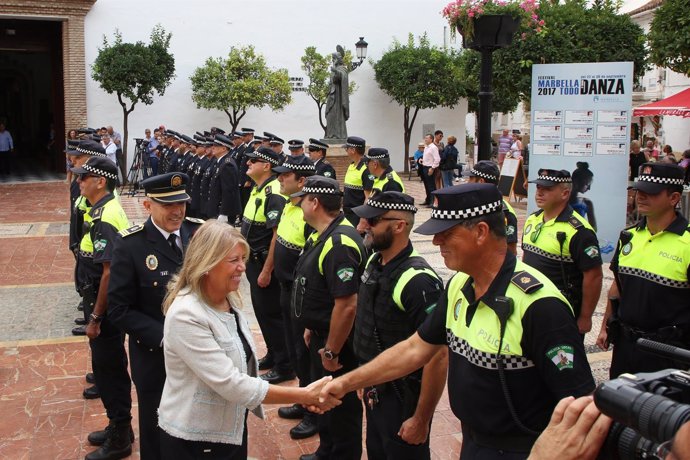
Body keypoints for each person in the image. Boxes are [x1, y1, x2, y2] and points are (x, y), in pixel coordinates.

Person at [320, 183, 595, 459]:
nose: (437, 242)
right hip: (473, 442)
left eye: (446, 233)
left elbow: (583, 411)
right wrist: (346, 383)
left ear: (480, 232)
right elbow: (416, 349)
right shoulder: (460, 284)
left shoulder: (540, 306)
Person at [157, 220, 337, 460]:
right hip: (196, 439)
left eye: (243, 258)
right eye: (234, 260)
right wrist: (305, 395)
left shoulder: (225, 299)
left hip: (227, 430)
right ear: (206, 263)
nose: (242, 267)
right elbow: (232, 384)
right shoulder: (187, 314)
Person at [108, 173, 204, 460]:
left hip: (200, 352)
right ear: (148, 206)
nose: (178, 212)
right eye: (167, 205)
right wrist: (167, 338)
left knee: (197, 425)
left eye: (182, 204)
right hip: (155, 356)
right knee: (157, 429)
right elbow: (119, 308)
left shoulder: (198, 234)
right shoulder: (130, 245)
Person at [351, 192, 447, 459]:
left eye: (372, 221)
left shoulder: (418, 281)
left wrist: (421, 418)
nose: (363, 226)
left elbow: (437, 356)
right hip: (377, 389)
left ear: (399, 225)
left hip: (402, 397)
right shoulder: (376, 260)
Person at [291, 176, 366, 460]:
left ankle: (342, 454)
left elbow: (347, 304)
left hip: (338, 344)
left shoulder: (339, 243)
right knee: (324, 398)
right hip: (323, 334)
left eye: (303, 200)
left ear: (315, 202)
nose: (299, 205)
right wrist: (312, 325)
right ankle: (327, 450)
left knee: (339, 403)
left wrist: (332, 349)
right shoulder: (324, 233)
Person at [597, 163, 690, 378]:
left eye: (652, 193)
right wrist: (605, 327)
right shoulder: (629, 236)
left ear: (674, 198)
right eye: (639, 190)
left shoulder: (686, 242)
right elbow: (617, 287)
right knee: (619, 405)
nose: (641, 197)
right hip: (626, 345)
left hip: (667, 352)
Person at [71, 156, 133, 460]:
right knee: (107, 367)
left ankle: (120, 435)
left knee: (110, 370)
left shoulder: (107, 215)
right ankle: (118, 426)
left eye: (84, 177)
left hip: (104, 308)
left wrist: (95, 316)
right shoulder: (99, 210)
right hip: (97, 301)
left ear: (100, 181)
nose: (79, 181)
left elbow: (109, 272)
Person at [271, 155, 319, 440]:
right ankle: (303, 398)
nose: (280, 179)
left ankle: (313, 411)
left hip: (302, 294)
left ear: (301, 181)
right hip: (287, 289)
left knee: (305, 353)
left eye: (285, 176)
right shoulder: (290, 206)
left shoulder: (308, 214)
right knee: (294, 350)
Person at [522, 169, 603, 336]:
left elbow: (593, 276)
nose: (539, 192)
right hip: (530, 307)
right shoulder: (532, 219)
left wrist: (585, 317)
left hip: (560, 312)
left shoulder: (579, 231)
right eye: (538, 187)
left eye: (548, 188)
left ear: (565, 193)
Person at [240, 146, 294, 383]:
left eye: (254, 160)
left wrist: (266, 269)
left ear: (266, 166)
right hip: (253, 262)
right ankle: (274, 354)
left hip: (264, 264)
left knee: (272, 315)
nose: (248, 163)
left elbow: (275, 236)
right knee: (262, 313)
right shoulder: (258, 189)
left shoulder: (273, 193)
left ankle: (284, 365)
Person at [462, 160, 519, 255]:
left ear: (481, 181)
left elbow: (510, 249)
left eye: (471, 179)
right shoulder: (473, 205)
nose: (468, 183)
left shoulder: (504, 210)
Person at [342, 136, 373, 226]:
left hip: (357, 217)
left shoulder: (366, 169)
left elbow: (368, 197)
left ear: (353, 150)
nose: (346, 151)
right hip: (348, 214)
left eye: (346, 149)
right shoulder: (351, 165)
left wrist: (363, 221)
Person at [324, 46, 349, 139]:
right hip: (332, 96)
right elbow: (333, 81)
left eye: (334, 58)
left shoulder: (342, 68)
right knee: (329, 115)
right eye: (332, 59)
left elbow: (343, 77)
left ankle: (337, 135)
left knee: (336, 115)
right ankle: (330, 134)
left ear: (338, 59)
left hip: (338, 97)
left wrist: (336, 71)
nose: (333, 60)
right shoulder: (335, 68)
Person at [570, 162, 597, 230]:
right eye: (587, 184)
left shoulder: (587, 203)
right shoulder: (560, 201)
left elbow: (593, 229)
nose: (589, 188)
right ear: (576, 181)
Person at [420, 134, 440, 206]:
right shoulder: (426, 147)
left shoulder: (433, 147)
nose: (425, 140)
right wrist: (422, 160)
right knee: (426, 185)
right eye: (425, 138)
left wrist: (432, 168)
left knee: (431, 185)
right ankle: (428, 200)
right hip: (424, 167)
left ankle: (433, 201)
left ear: (431, 139)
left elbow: (437, 159)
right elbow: (428, 157)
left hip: (430, 168)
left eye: (427, 138)